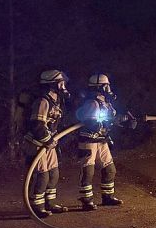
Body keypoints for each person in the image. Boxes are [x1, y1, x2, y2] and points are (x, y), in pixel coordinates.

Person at [75, 73, 136, 210]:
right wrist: (113, 121)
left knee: (109, 169)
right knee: (88, 170)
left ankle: (107, 197)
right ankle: (87, 200)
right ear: (100, 87)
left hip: (101, 140)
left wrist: (125, 121)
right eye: (106, 85)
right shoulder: (92, 103)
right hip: (89, 140)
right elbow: (92, 123)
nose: (109, 88)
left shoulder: (105, 102)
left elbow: (110, 118)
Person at [23, 69, 70, 217]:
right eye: (61, 83)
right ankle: (37, 206)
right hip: (37, 143)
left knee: (53, 173)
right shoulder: (42, 101)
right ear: (53, 84)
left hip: (49, 143)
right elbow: (37, 124)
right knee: (42, 175)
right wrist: (47, 140)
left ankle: (50, 202)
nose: (63, 85)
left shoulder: (56, 100)